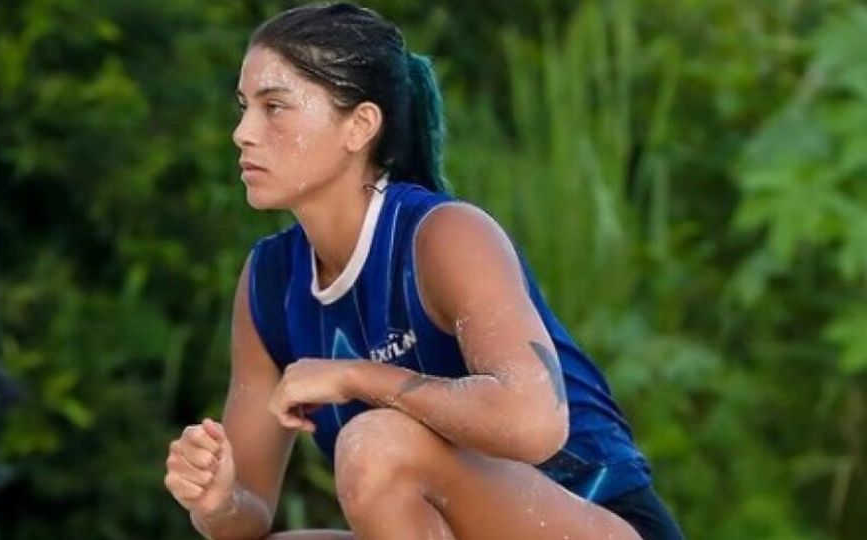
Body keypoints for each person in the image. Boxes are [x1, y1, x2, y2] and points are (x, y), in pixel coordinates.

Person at [164, 3, 685, 539]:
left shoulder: (444, 235)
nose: (243, 132)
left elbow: (533, 423)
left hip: (602, 519)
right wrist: (218, 500)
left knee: (376, 444)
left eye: (274, 106)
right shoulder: (269, 281)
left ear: (359, 126)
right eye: (244, 107)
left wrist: (355, 376)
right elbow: (247, 515)